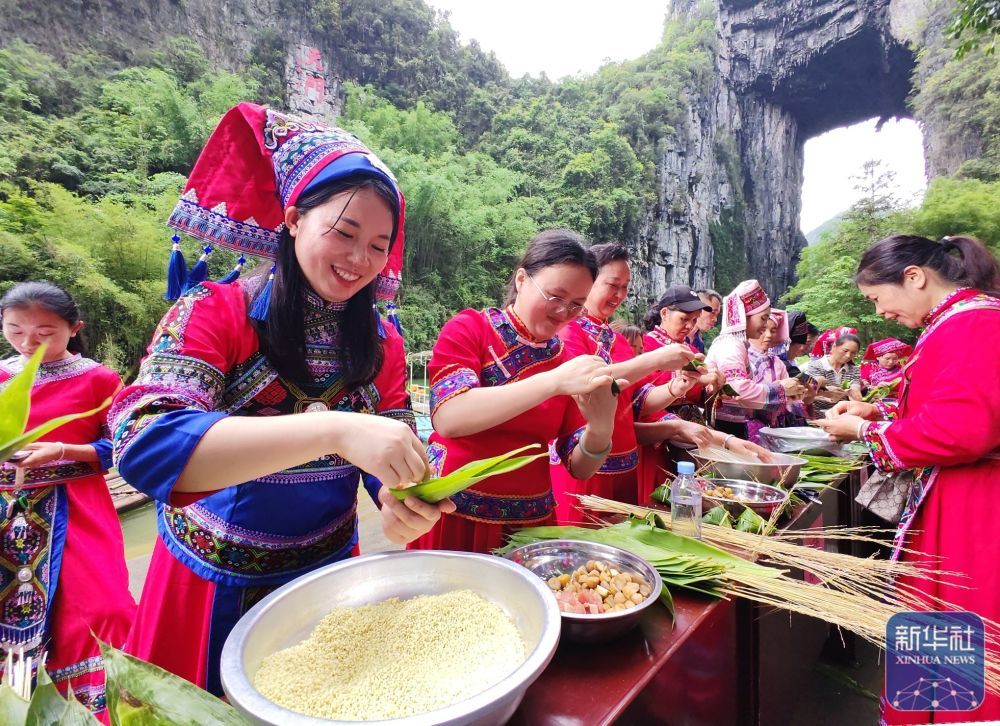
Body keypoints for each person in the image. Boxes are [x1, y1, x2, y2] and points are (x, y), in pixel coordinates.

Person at [108, 104, 451, 694]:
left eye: (378, 246)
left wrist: (400, 496)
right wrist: (335, 429)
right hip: (211, 584)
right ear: (293, 219)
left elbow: (389, 447)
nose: (360, 261)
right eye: (344, 233)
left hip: (330, 580)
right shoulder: (213, 311)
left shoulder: (383, 342)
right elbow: (145, 444)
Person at [813, 234, 1000, 725]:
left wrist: (864, 431)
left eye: (878, 297)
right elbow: (944, 407)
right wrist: (877, 412)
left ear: (914, 276)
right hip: (958, 496)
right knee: (940, 617)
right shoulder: (957, 321)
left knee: (958, 616)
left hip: (972, 508)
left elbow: (962, 430)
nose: (881, 311)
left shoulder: (971, 324)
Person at [411, 230, 628, 552]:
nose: (563, 312)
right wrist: (553, 382)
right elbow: (449, 417)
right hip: (451, 513)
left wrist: (601, 428)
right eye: (555, 297)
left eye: (576, 305)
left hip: (528, 525)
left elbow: (579, 467)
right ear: (522, 279)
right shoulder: (471, 328)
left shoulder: (566, 361)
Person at [0, 281, 134, 718]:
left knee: (103, 606)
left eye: (44, 333)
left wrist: (61, 450)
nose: (28, 343)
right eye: (15, 331)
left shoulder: (100, 380)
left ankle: (105, 707)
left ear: (74, 329)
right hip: (7, 512)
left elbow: (123, 447)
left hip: (78, 508)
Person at [550, 243, 708, 522]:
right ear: (588, 282)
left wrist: (678, 386)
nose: (620, 295)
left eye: (625, 287)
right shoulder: (567, 332)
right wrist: (654, 360)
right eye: (613, 285)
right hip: (584, 464)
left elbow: (638, 402)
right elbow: (588, 383)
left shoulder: (618, 341)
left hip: (624, 464)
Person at [704, 280, 807, 439]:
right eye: (763, 319)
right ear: (745, 316)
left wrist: (786, 394)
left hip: (733, 424)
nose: (765, 326)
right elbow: (738, 390)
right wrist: (781, 390)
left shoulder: (737, 345)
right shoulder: (730, 345)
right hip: (723, 427)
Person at [641, 285, 726, 423]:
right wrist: (690, 377)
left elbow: (701, 400)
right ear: (664, 313)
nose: (690, 326)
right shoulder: (645, 344)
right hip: (657, 425)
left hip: (689, 426)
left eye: (694, 320)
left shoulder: (692, 351)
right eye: (684, 319)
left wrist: (714, 388)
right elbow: (639, 392)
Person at [745, 310, 812, 441]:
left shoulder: (777, 363)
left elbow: (792, 399)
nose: (768, 335)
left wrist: (797, 394)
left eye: (773, 330)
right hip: (746, 428)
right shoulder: (741, 358)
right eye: (763, 329)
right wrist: (780, 389)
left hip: (773, 429)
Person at [802, 333, 863, 414]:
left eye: (853, 353)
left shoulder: (854, 369)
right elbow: (808, 393)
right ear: (834, 347)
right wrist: (825, 393)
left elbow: (855, 385)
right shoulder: (816, 365)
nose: (848, 355)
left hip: (844, 414)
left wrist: (855, 391)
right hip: (818, 414)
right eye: (845, 351)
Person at [782, 310, 818, 378]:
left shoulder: (792, 362)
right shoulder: (776, 362)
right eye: (807, 343)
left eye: (812, 345)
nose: (809, 349)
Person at [690, 288, 721, 353]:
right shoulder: (675, 337)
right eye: (712, 313)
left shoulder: (699, 343)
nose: (715, 319)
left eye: (717, 315)